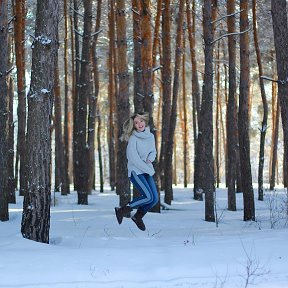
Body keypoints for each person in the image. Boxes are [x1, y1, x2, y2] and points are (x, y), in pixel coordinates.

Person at [114, 112, 158, 231]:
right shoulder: (133, 139)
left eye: (141, 121)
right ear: (133, 126)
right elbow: (134, 159)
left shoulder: (150, 136)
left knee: (154, 199)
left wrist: (150, 159)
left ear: (145, 121)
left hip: (147, 170)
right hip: (136, 171)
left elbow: (153, 151)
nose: (140, 124)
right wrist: (147, 167)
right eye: (136, 123)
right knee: (148, 197)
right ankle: (122, 210)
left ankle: (138, 216)